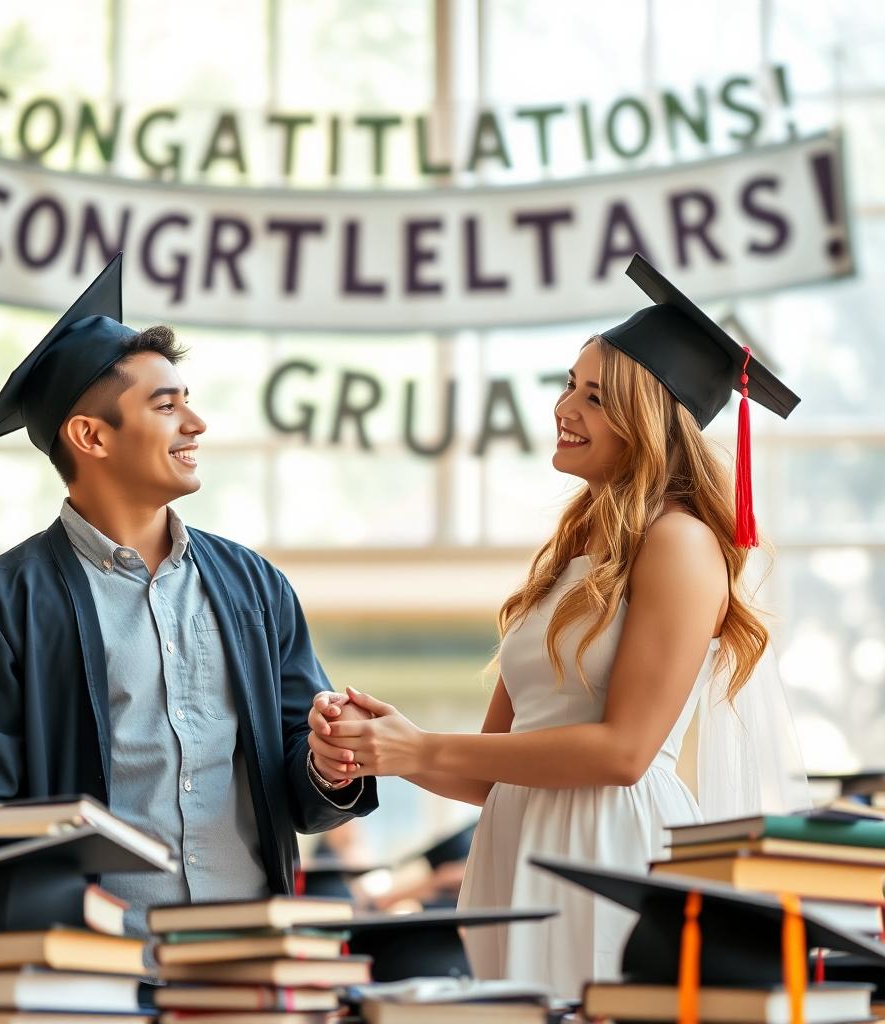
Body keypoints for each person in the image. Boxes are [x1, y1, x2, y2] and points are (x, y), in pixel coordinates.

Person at [306, 255, 809, 995]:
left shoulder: (678, 542)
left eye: (596, 396)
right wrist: (390, 747)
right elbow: (491, 768)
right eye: (569, 385)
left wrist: (422, 744)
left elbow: (625, 752)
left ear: (646, 419)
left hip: (609, 847)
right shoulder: (574, 553)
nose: (565, 409)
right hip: (519, 842)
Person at [0, 254, 377, 934]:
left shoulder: (255, 589)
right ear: (91, 435)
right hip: (88, 972)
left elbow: (304, 791)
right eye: (166, 406)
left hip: (245, 964)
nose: (196, 424)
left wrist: (330, 761)